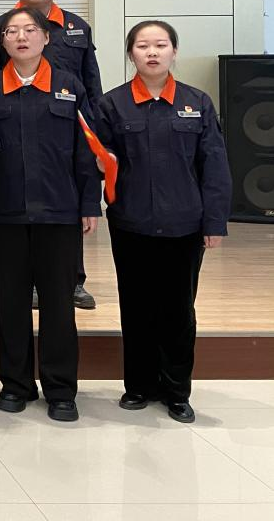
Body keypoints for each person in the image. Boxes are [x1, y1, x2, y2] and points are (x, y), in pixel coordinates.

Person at [93, 21, 231, 424]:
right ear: (131, 54)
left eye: (160, 45)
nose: (152, 52)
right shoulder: (112, 105)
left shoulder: (197, 102)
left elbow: (214, 166)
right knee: (136, 307)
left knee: (178, 310)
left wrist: (215, 222)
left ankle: (176, 391)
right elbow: (98, 162)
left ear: (174, 51)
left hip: (184, 225)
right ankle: (138, 386)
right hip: (131, 223)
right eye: (142, 46)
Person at [0, 7, 101, 422]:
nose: (21, 37)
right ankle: (16, 384)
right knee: (11, 301)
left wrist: (89, 203)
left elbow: (87, 148)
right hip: (4, 212)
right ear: (3, 41)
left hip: (59, 212)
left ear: (47, 38)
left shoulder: (69, 86)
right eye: (12, 31)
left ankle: (61, 389)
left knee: (59, 303)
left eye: (30, 30)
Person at [0, 0, 101, 311]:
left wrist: (96, 131)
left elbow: (91, 82)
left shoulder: (76, 27)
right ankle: (24, 285)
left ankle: (73, 282)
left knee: (65, 211)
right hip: (11, 132)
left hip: (62, 130)